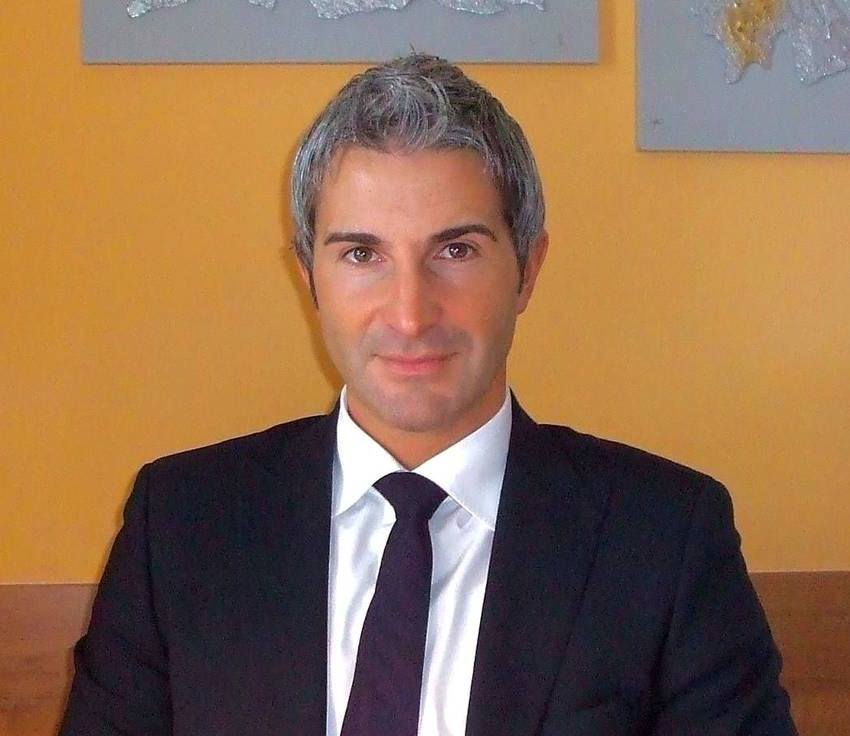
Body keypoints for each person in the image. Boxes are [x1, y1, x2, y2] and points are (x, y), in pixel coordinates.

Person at [60, 53, 796, 735]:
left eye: (455, 250)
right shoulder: (180, 526)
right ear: (308, 277)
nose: (410, 315)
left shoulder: (666, 540)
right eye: (362, 254)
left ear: (528, 269)